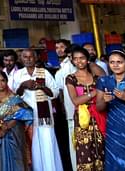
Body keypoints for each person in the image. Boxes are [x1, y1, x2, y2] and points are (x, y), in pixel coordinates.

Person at [13, 49, 62, 171]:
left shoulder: (44, 72)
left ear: (36, 58)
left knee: (47, 143)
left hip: (44, 115)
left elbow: (55, 93)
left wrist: (42, 87)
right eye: (25, 57)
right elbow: (14, 95)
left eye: (31, 57)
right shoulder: (18, 74)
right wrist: (23, 85)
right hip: (28, 117)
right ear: (21, 59)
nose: (28, 59)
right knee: (32, 145)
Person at [65, 47, 105, 171]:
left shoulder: (97, 77)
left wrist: (88, 97)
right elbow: (76, 101)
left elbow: (103, 96)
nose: (79, 61)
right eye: (75, 59)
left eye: (82, 58)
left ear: (88, 60)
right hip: (83, 120)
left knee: (102, 149)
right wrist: (93, 93)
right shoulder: (71, 78)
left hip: (99, 115)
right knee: (85, 151)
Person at [0, 71, 32, 171]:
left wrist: (6, 128)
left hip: (14, 132)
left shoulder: (14, 97)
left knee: (16, 156)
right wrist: (1, 126)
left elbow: (23, 113)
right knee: (1, 157)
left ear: (7, 81)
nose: (0, 83)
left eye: (2, 81)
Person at [53, 40, 75, 171]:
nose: (59, 50)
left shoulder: (70, 66)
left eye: (62, 47)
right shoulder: (60, 69)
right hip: (68, 110)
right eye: (57, 47)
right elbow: (60, 92)